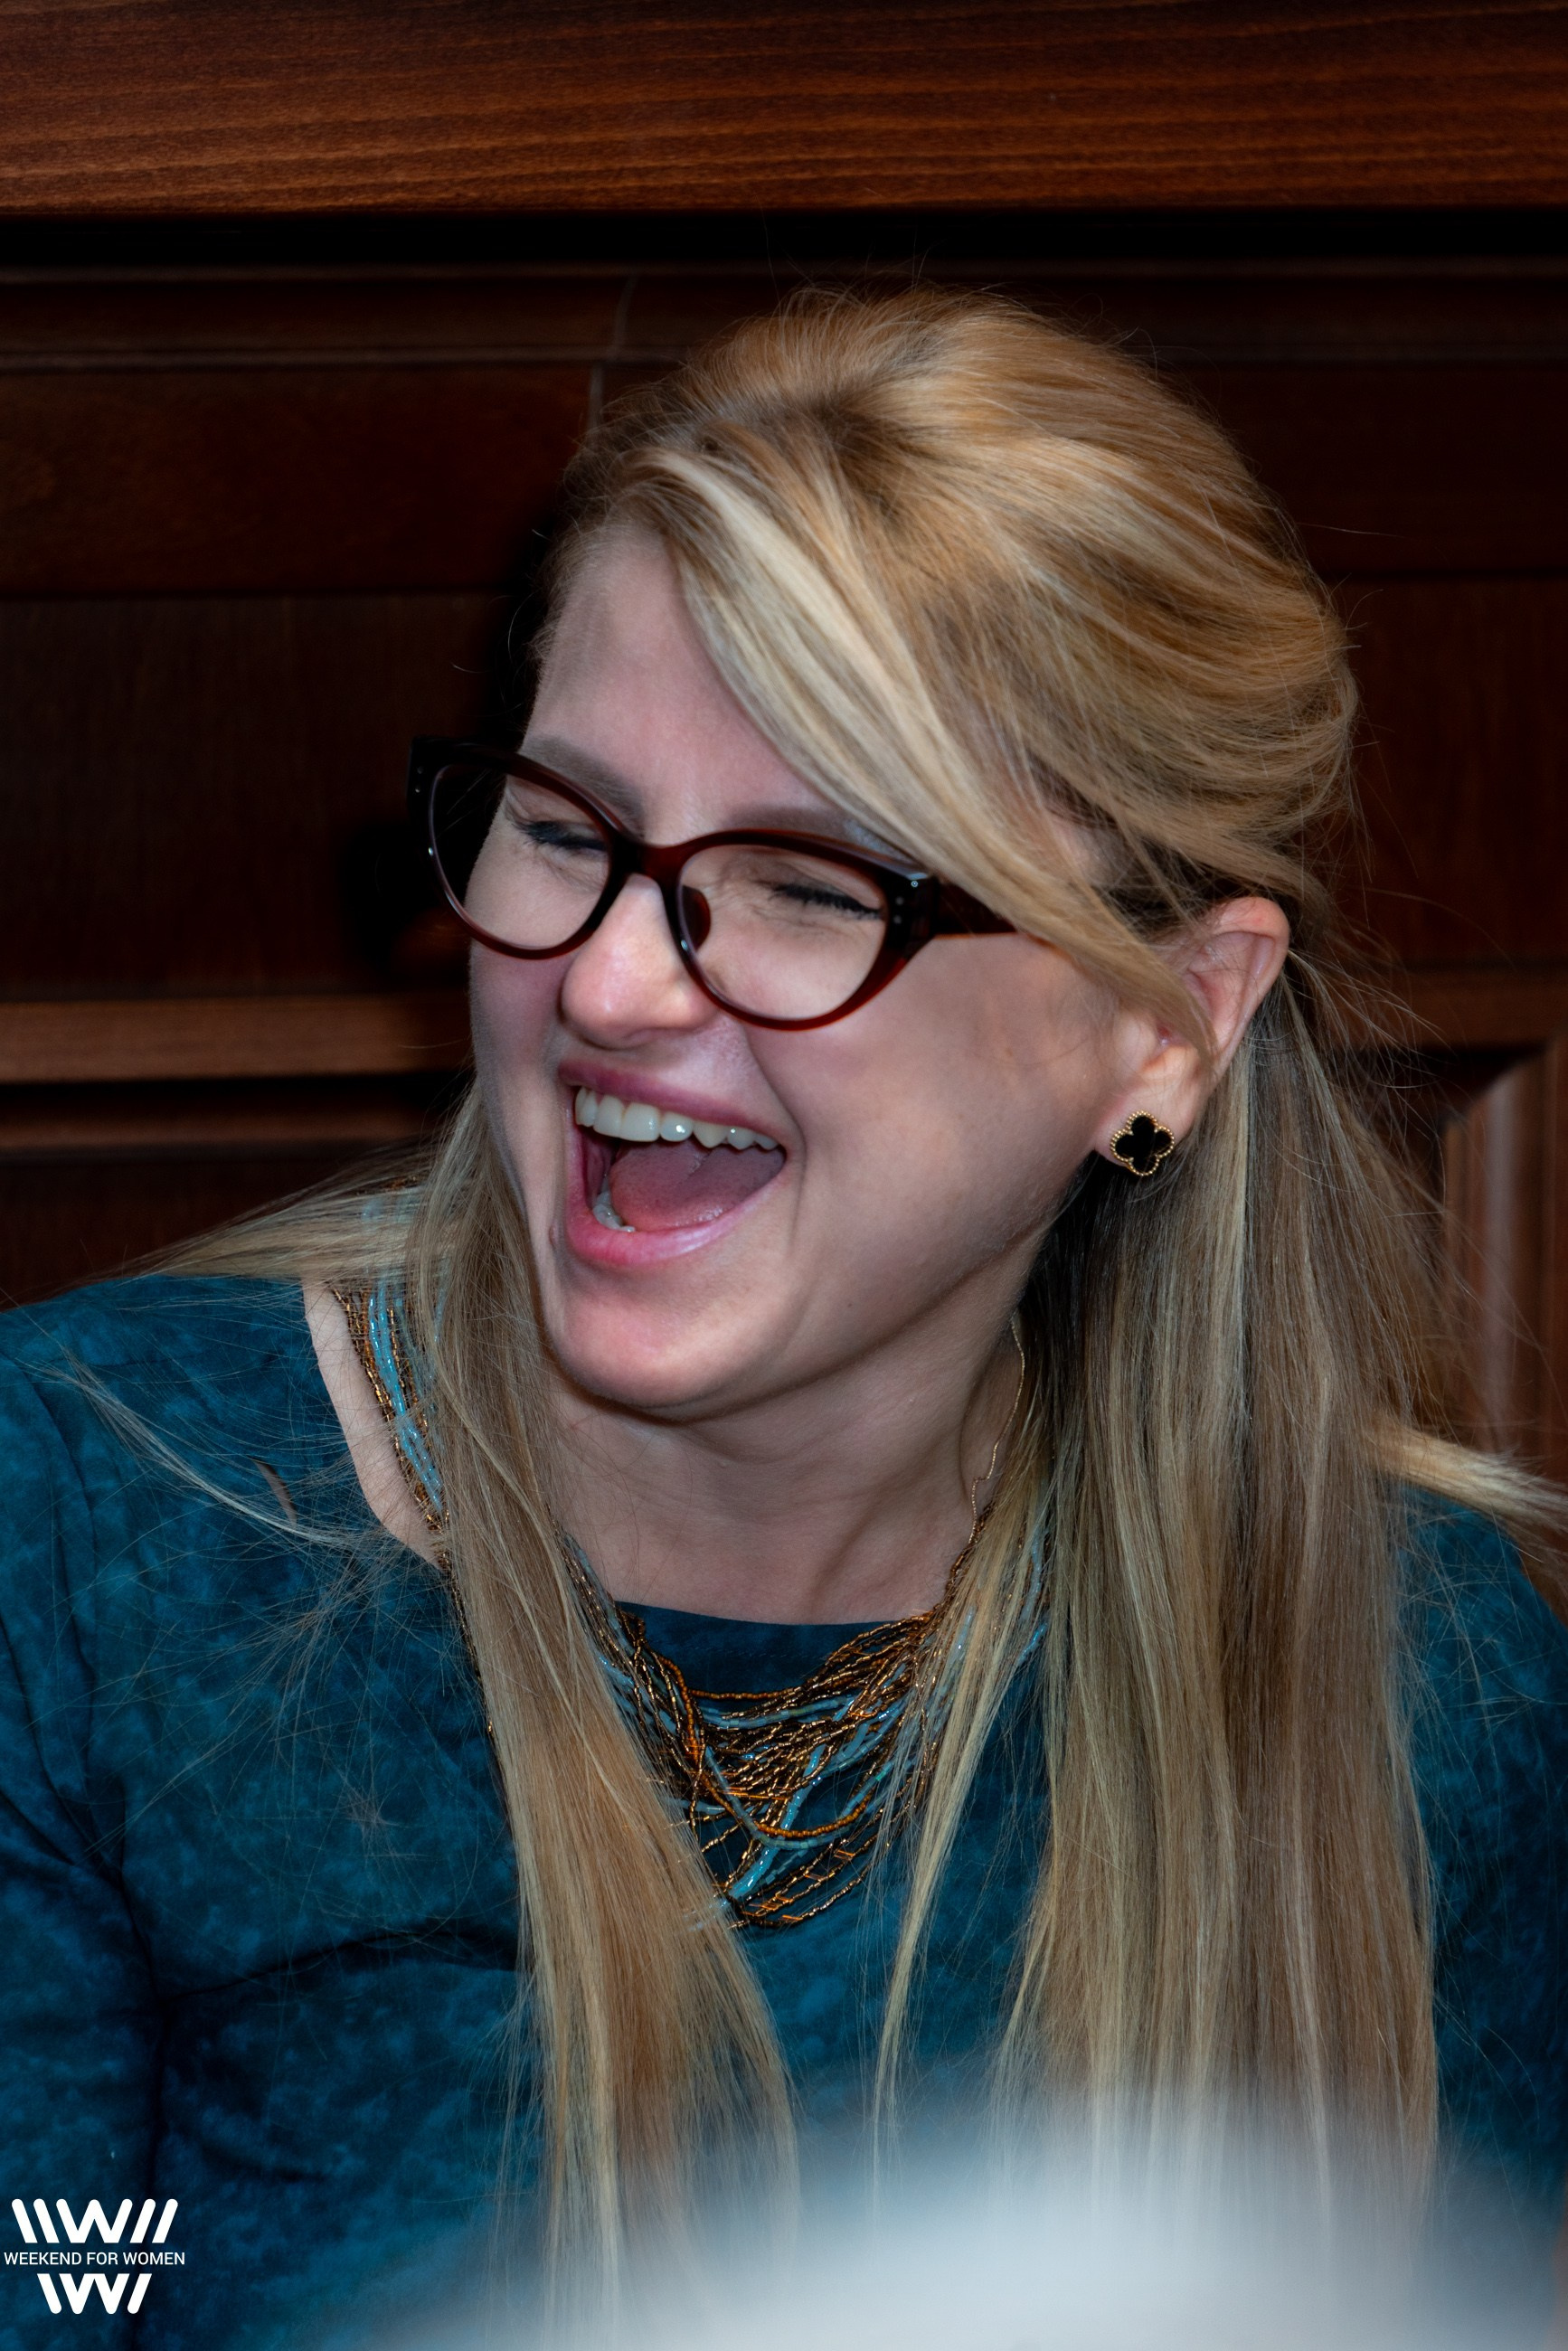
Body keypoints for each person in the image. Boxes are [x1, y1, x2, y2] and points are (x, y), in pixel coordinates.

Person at [1, 287, 1564, 2351]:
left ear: (1173, 1025)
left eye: (818, 887)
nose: (609, 984)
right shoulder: (78, 1538)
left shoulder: (1423, 1671)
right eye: (564, 832)